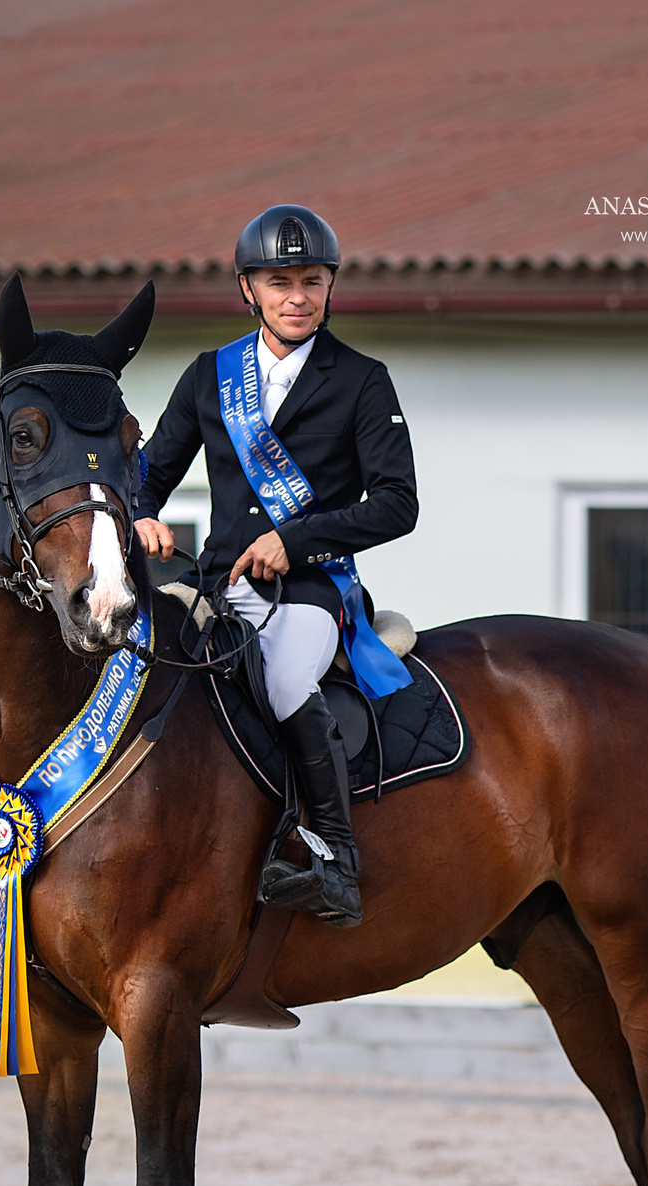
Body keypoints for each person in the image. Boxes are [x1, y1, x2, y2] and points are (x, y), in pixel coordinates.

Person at [133, 203, 417, 928]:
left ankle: (336, 860)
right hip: (218, 586)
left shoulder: (362, 380)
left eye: (312, 281)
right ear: (248, 289)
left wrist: (300, 539)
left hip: (312, 588)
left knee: (286, 679)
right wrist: (139, 514)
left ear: (330, 288)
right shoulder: (209, 377)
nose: (298, 296)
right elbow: (148, 473)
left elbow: (396, 504)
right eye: (281, 281)